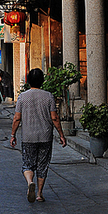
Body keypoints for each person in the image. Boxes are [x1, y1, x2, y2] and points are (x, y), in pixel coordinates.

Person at [10, 68, 67, 203]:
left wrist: (13, 134)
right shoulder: (48, 96)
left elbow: (17, 118)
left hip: (28, 136)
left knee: (27, 164)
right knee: (43, 164)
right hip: (45, 136)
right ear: (43, 81)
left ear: (28, 81)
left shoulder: (23, 97)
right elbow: (54, 118)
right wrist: (61, 135)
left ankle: (30, 182)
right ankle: (40, 194)